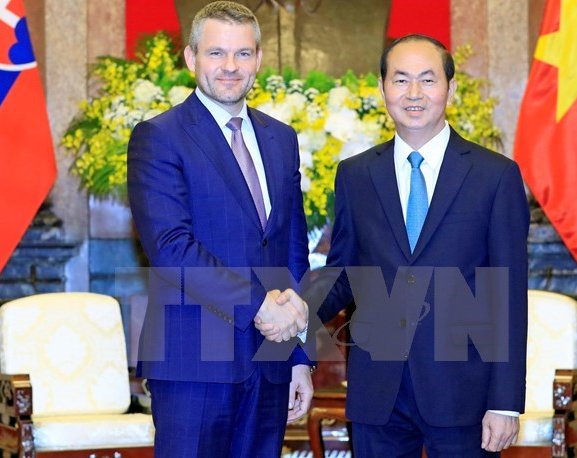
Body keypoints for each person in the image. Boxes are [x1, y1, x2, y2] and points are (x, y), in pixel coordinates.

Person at [260, 34, 529, 456]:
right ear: (383, 88)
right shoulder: (356, 175)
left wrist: (505, 401)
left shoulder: (495, 177)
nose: (414, 93)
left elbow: (508, 295)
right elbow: (344, 272)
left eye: (427, 79)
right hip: (378, 392)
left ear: (450, 88)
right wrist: (297, 311)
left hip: (464, 394)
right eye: (401, 80)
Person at [127, 2, 313, 456]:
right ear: (191, 58)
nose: (230, 67)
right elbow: (172, 249)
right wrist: (258, 306)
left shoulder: (280, 138)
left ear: (258, 61)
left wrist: (299, 354)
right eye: (216, 53)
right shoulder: (159, 136)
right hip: (194, 363)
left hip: (270, 362)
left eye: (243, 54)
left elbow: (290, 247)